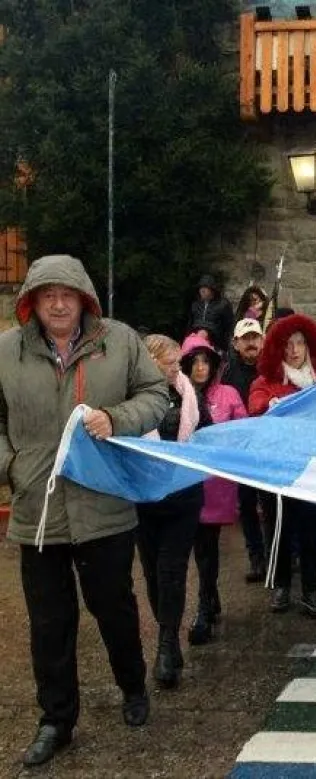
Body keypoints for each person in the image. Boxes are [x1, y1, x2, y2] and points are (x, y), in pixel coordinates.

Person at [0, 255, 169, 767]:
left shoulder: (119, 342)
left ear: (84, 300)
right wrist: (10, 468)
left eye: (67, 294)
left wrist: (115, 418)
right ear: (31, 301)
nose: (57, 303)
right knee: (49, 623)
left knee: (114, 608)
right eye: (47, 294)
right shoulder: (7, 350)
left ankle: (132, 686)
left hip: (105, 504)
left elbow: (156, 394)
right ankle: (56, 720)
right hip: (38, 510)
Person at [135, 335, 210, 692]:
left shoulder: (189, 395)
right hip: (145, 498)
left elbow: (209, 433)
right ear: (148, 362)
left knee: (171, 570)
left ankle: (166, 645)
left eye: (177, 362)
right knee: (151, 573)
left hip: (182, 496)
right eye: (169, 362)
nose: (176, 369)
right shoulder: (132, 397)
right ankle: (170, 639)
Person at [248, 313, 316, 617]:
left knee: (312, 531)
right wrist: (271, 406)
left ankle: (311, 589)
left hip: (312, 469)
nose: (294, 350)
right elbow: (255, 407)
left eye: (300, 343)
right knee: (279, 529)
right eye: (288, 344)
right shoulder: (267, 382)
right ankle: (282, 585)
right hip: (277, 471)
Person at [181, 334, 247, 645]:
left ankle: (204, 606)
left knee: (207, 545)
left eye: (205, 361)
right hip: (185, 482)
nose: (200, 368)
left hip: (216, 484)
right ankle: (209, 596)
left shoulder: (229, 394)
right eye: (194, 362)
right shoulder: (178, 395)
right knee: (199, 547)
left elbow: (242, 432)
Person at [221, 318, 270, 582]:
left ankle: (278, 555)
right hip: (242, 449)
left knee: (273, 505)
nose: (251, 342)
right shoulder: (227, 372)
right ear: (236, 342)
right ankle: (257, 558)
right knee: (248, 506)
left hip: (268, 447)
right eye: (246, 338)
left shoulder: (272, 368)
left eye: (255, 337)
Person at [188, 273, 234, 349]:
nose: (202, 290)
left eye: (205, 287)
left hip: (217, 345)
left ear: (212, 289)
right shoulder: (195, 305)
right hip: (196, 343)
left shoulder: (223, 304)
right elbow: (190, 325)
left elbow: (229, 328)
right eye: (201, 287)